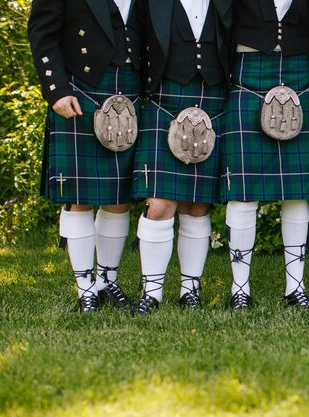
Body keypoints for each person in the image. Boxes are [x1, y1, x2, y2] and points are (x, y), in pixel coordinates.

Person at [28, 0, 143, 312]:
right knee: (80, 195)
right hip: (82, 88)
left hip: (131, 88)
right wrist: (57, 90)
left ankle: (107, 280)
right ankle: (85, 288)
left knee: (119, 195)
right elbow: (42, 33)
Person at [130, 0, 231, 315]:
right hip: (165, 99)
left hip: (213, 98)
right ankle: (152, 291)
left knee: (198, 205)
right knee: (160, 204)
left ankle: (191, 289)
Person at [220, 0, 309, 310]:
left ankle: (296, 287)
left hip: (297, 71)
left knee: (297, 191)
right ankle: (240, 289)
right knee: (244, 192)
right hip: (249, 71)